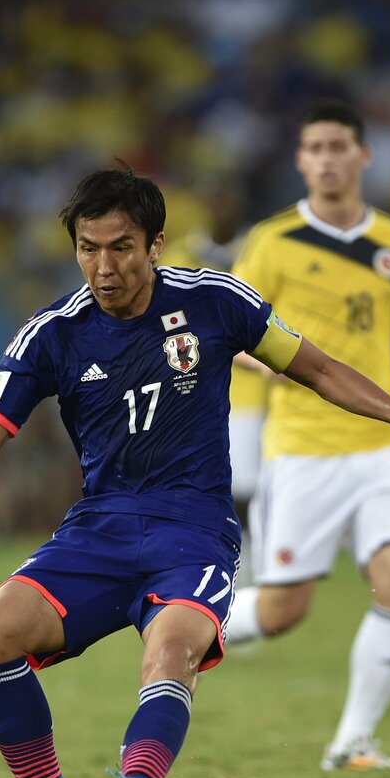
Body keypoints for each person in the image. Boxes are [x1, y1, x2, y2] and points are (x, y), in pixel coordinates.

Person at [0, 167, 390, 778]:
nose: (104, 266)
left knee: (171, 652)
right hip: (99, 530)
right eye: (88, 249)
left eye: (120, 247)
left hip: (194, 534)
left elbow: (318, 368)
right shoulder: (53, 334)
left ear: (154, 244)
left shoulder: (215, 301)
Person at [220, 100, 390, 772]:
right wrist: (279, 363)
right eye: (316, 147)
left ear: (364, 156)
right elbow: (232, 332)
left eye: (340, 145)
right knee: (283, 612)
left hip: (379, 447)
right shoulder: (273, 241)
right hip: (303, 450)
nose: (328, 158)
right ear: (301, 161)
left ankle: (353, 741)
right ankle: (183, 628)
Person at [157, 180, 265, 527]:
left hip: (258, 394)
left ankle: (252, 570)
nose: (223, 209)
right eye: (217, 201)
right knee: (220, 491)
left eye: (229, 200)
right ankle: (232, 567)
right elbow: (173, 326)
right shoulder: (177, 256)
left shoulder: (262, 252)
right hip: (197, 392)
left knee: (255, 492)